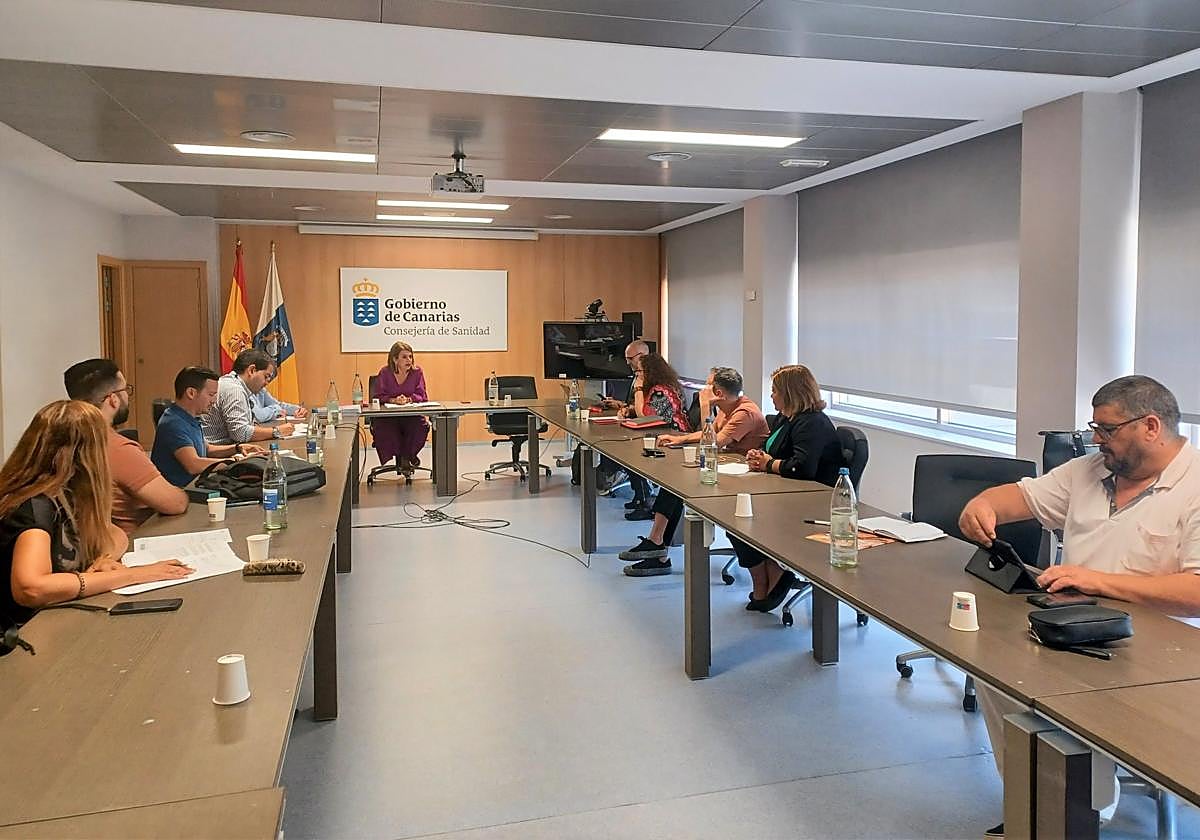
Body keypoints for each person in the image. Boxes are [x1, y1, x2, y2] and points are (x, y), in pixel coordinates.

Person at [958, 375, 1200, 837]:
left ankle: (1075, 809)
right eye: (1094, 427)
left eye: (1107, 429)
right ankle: (1043, 800)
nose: (1095, 439)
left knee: (1061, 696)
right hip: (1076, 628)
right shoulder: (1088, 472)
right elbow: (1016, 498)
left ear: (1151, 426)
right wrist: (982, 504)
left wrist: (1099, 582)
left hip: (1163, 655)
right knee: (993, 668)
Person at [0, 401, 194, 632]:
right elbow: (31, 587)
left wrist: (103, 559)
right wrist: (133, 576)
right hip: (22, 636)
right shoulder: (35, 506)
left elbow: (116, 534)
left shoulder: (69, 494)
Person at [620, 366, 769, 575]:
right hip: (726, 469)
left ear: (718, 393)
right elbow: (707, 434)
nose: (703, 389)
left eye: (708, 385)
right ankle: (657, 546)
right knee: (674, 484)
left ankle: (658, 547)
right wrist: (679, 439)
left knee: (682, 485)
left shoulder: (745, 412)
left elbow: (712, 442)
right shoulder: (728, 408)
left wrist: (705, 405)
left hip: (746, 481)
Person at [730, 365, 844, 609]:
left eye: (775, 391)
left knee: (745, 521)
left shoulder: (813, 423)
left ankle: (775, 572)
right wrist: (760, 456)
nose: (771, 395)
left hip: (811, 501)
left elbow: (802, 468)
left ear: (791, 393)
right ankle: (762, 580)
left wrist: (769, 464)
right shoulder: (787, 419)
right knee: (734, 517)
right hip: (783, 492)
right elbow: (777, 453)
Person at [62, 358, 188, 534]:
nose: (127, 395)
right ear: (113, 399)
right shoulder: (117, 448)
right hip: (134, 544)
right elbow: (175, 504)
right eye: (125, 389)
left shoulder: (64, 440)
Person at [612, 353, 694, 576]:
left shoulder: (661, 390)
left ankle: (657, 545)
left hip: (677, 444)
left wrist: (638, 390)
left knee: (671, 489)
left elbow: (646, 416)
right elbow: (642, 414)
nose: (637, 376)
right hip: (668, 442)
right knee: (670, 490)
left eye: (639, 373)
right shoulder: (659, 388)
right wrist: (626, 408)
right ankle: (658, 550)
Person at [152, 366, 264, 488]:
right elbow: (194, 465)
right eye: (211, 394)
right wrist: (236, 462)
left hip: (197, 483)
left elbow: (207, 449)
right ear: (191, 393)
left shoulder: (190, 417)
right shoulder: (173, 423)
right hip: (183, 492)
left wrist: (237, 448)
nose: (214, 401)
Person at [202, 349, 295, 445]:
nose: (267, 382)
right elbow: (240, 434)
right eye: (266, 376)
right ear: (252, 370)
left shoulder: (234, 384)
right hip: (216, 453)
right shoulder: (234, 390)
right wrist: (276, 431)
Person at [371, 341, 430, 476]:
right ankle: (406, 457)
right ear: (394, 359)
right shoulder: (385, 372)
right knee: (386, 429)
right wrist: (393, 400)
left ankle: (408, 455)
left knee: (420, 426)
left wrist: (408, 399)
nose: (409, 360)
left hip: (410, 414)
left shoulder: (417, 372)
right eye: (404, 357)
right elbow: (378, 396)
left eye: (410, 356)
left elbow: (422, 395)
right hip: (389, 416)